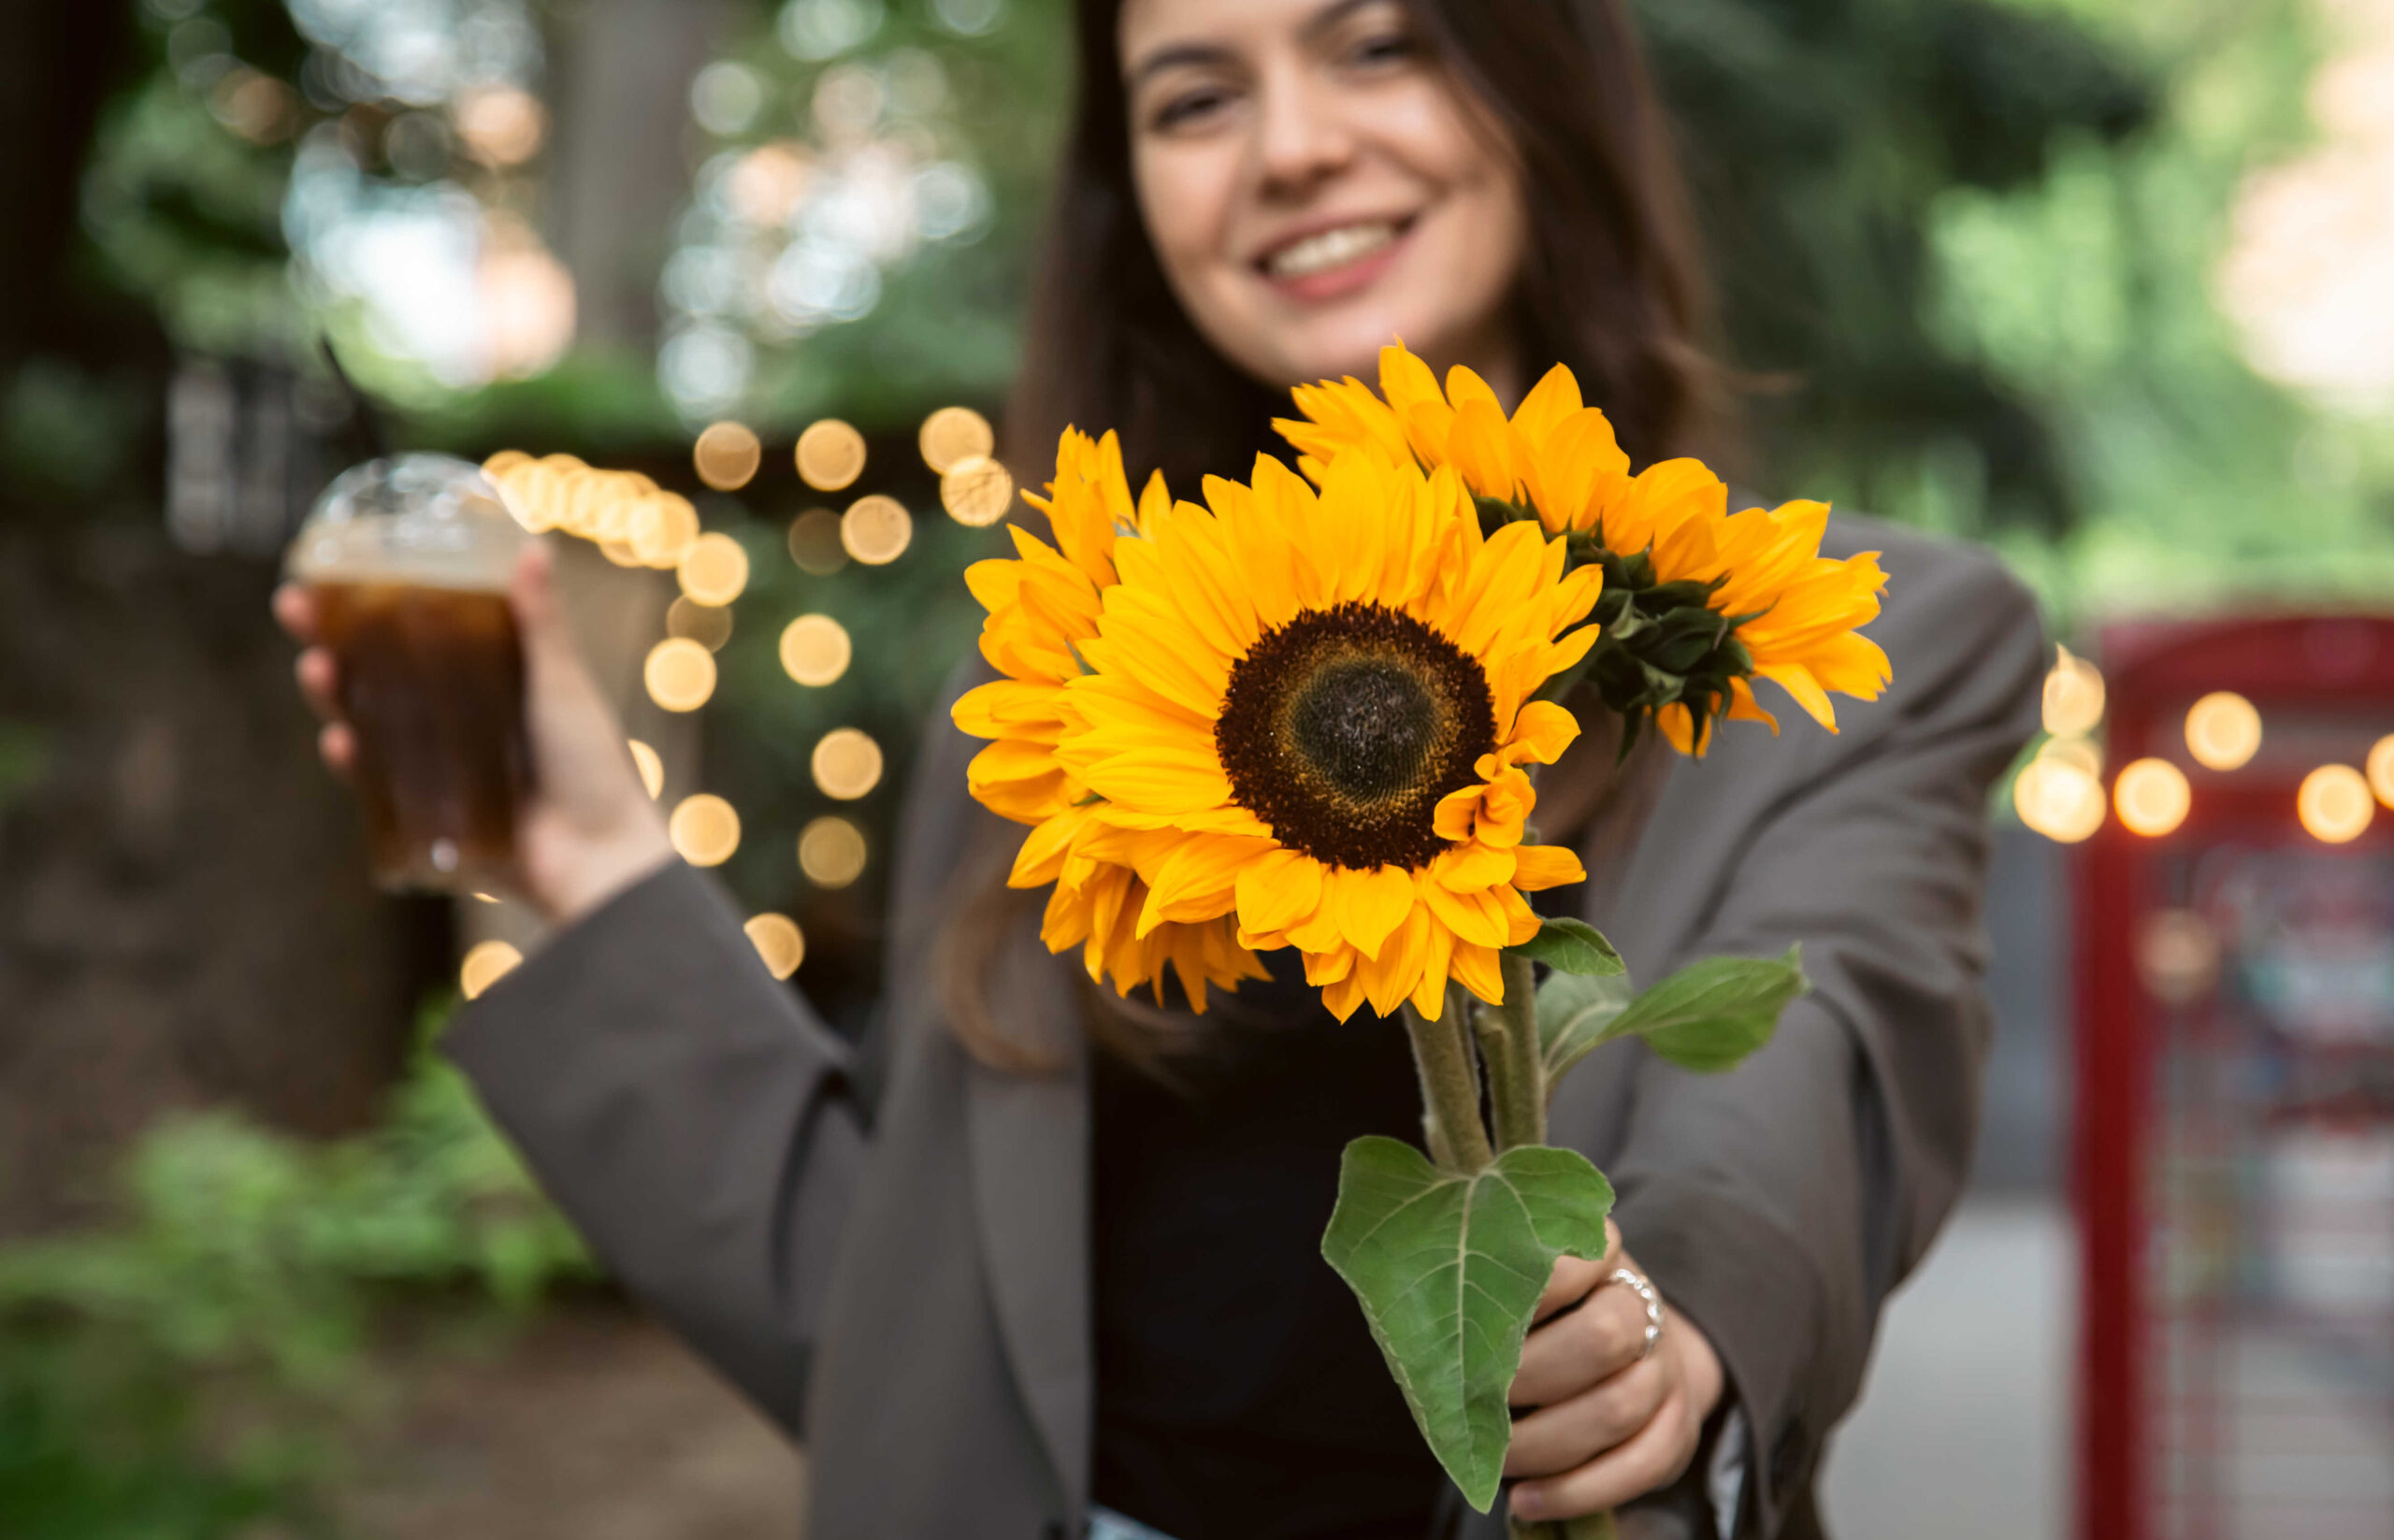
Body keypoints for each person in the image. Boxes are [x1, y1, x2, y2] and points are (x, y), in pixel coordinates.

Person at [276, 1, 2044, 1535]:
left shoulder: (1855, 640)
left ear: (1544, 89)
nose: (1289, 147)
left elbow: (1824, 1068)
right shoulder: (1063, 681)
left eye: (1378, 46)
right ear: (1134, 202)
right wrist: (589, 863)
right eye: (1196, 96)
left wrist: (1680, 1335)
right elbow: (909, 1348)